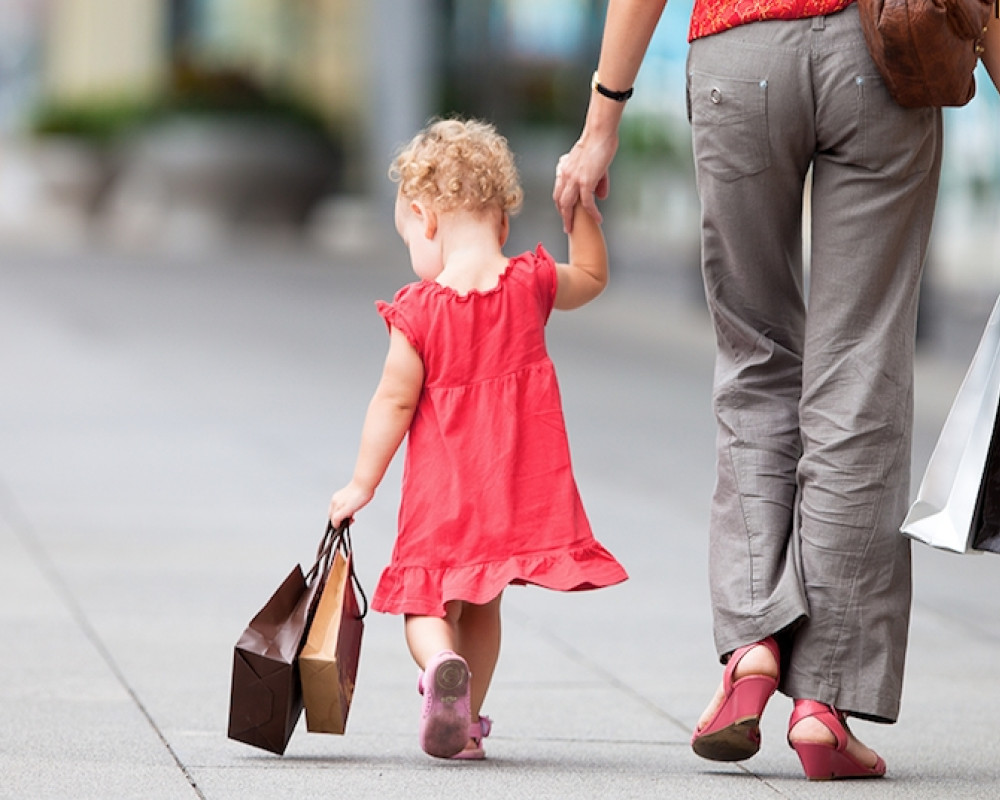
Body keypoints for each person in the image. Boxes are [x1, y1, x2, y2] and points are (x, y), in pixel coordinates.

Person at [555, 0, 1000, 782]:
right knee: (859, 374)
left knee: (755, 358)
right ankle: (823, 701)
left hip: (737, 52)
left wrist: (602, 121)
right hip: (882, 57)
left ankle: (754, 643)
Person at [329, 117, 628, 760]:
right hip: (509, 493)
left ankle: (439, 666)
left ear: (423, 217)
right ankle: (466, 722)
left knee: (426, 600)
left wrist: (362, 482)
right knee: (484, 606)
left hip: (443, 498)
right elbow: (594, 278)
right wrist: (581, 212)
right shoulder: (532, 284)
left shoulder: (419, 309)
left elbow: (395, 399)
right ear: (503, 223)